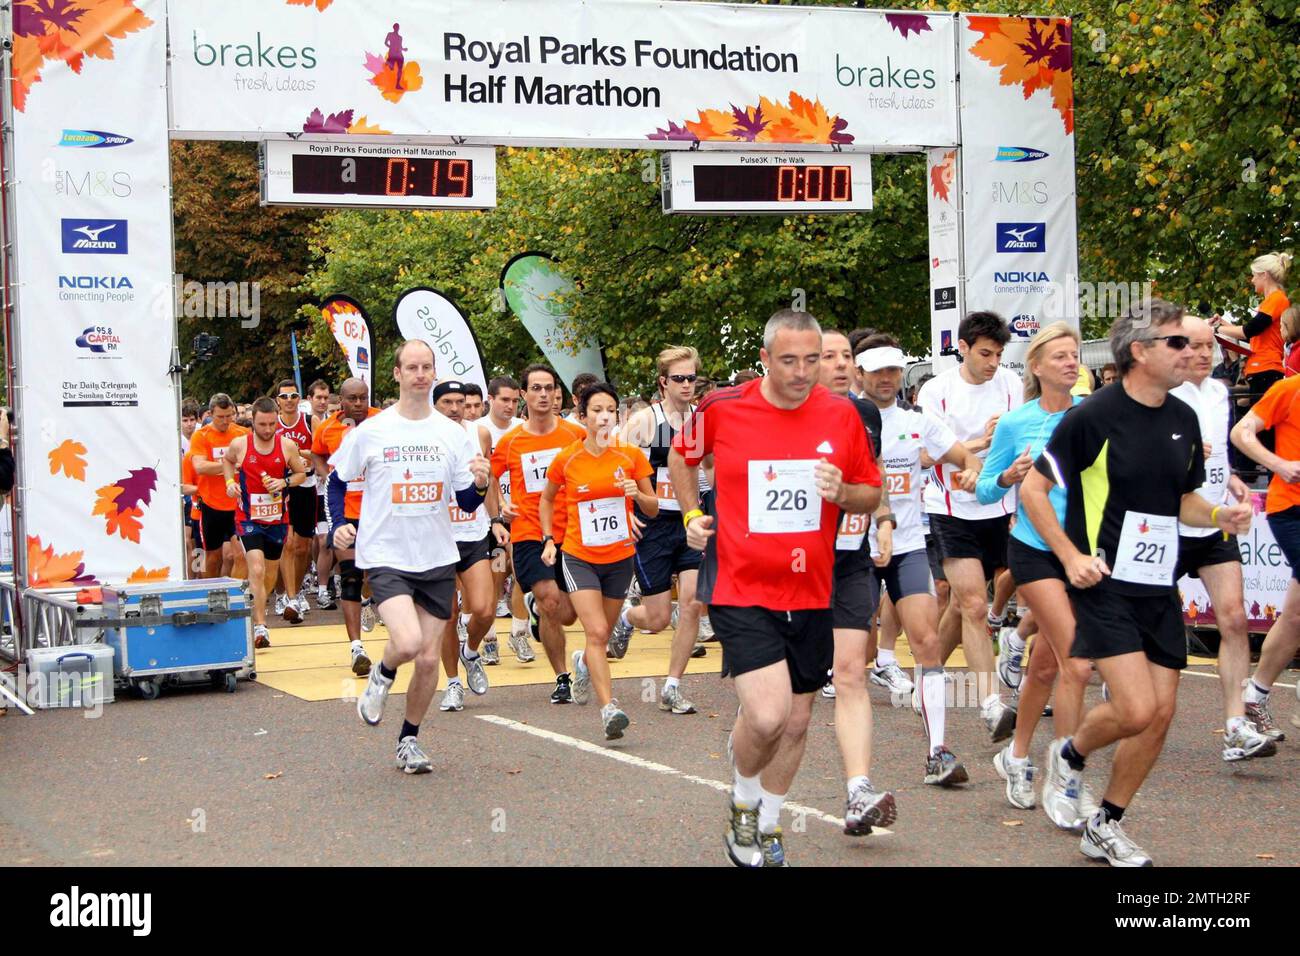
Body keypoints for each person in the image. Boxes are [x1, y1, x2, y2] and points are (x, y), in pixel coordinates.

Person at [1020, 299, 1251, 866]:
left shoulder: (1182, 417)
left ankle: (1103, 815)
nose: (1192, 353)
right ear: (1139, 351)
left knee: (1160, 714)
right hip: (1104, 584)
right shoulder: (1092, 416)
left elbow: (1183, 501)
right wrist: (1072, 557)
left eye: (1195, 345)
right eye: (1177, 343)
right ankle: (1071, 756)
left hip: (1157, 585)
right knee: (1138, 707)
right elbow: (1032, 492)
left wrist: (1221, 516)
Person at [670, 309, 883, 868]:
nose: (801, 371)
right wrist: (692, 513)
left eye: (812, 360)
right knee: (767, 716)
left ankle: (767, 824)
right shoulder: (723, 407)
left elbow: (870, 493)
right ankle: (742, 804)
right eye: (789, 360)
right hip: (740, 582)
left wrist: (844, 491)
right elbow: (681, 455)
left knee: (797, 720)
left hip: (814, 589)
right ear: (764, 359)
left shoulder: (841, 416)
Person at [341, 340, 491, 774]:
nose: (421, 374)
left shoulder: (452, 433)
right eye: (413, 367)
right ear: (397, 374)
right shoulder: (372, 430)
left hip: (437, 558)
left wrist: (480, 484)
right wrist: (340, 525)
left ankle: (408, 739)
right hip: (386, 554)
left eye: (427, 367)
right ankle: (382, 674)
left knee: (428, 660)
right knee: (406, 644)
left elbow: (465, 503)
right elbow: (339, 478)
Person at [975, 322, 1098, 819]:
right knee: (1078, 663)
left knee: (1046, 667)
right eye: (1062, 356)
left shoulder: (1093, 417)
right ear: (1038, 366)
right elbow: (984, 490)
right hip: (1034, 550)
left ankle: (1017, 756)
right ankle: (1068, 778)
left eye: (1076, 355)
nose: (1072, 362)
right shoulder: (1014, 423)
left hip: (1082, 550)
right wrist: (1008, 475)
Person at [857, 334, 982, 787]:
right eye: (878, 370)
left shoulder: (919, 420)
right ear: (860, 374)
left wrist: (970, 470)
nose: (888, 378)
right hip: (856, 550)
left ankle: (938, 752)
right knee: (857, 657)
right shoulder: (846, 419)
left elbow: (963, 454)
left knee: (927, 641)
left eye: (894, 369)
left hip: (908, 544)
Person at [1173, 318, 1275, 760]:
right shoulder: (1162, 393)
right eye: (1193, 346)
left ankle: (1236, 724)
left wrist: (1231, 476)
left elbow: (1219, 446)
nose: (1203, 354)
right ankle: (1125, 700)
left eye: (1208, 346)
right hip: (1167, 524)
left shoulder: (1218, 391)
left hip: (1215, 524)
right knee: (1153, 628)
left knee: (1233, 618)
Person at [918, 312, 1021, 743]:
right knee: (976, 605)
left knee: (963, 607)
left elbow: (1020, 444)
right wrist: (978, 443)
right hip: (950, 508)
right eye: (984, 353)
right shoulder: (937, 391)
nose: (993, 362)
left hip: (997, 507)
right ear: (962, 348)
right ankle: (990, 703)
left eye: (998, 354)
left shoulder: (1012, 385)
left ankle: (927, 681)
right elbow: (924, 455)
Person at [816, 330, 899, 831]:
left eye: (849, 356)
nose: (842, 365)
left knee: (850, 671)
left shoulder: (866, 415)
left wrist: (883, 519)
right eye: (831, 357)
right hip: (795, 567)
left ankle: (857, 791)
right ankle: (751, 790)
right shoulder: (789, 416)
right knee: (787, 701)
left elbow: (875, 476)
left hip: (850, 560)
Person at [541, 383, 656, 738]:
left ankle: (583, 663)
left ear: (617, 415)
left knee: (600, 640)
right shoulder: (567, 458)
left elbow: (653, 508)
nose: (604, 416)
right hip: (579, 556)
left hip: (619, 557)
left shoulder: (631, 456)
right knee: (598, 631)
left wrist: (638, 495)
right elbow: (547, 500)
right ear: (584, 416)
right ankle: (609, 709)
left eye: (610, 410)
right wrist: (548, 538)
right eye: (596, 410)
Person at [613, 346, 709, 714]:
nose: (686, 385)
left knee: (692, 603)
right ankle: (627, 617)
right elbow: (615, 468)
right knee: (655, 619)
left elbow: (710, 471)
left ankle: (672, 685)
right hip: (653, 523)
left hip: (689, 521)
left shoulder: (702, 420)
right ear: (663, 382)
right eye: (679, 379)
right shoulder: (644, 422)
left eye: (691, 378)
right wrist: (627, 512)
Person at [490, 364, 587, 703]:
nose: (544, 394)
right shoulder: (511, 441)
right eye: (537, 388)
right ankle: (563, 677)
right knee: (549, 600)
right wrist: (499, 508)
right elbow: (489, 475)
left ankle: (534, 608)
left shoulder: (575, 435)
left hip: (573, 531)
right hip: (531, 531)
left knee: (570, 613)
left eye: (549, 388)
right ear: (524, 395)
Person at [1230, 350, 1300, 740]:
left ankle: (1254, 695)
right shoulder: (1288, 389)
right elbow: (1241, 432)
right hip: (1290, 508)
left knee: (1294, 616)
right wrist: (1277, 464)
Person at [430, 381, 504, 712]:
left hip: (473, 533)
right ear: (435, 405)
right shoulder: (424, 437)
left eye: (460, 401)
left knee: (485, 608)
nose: (455, 407)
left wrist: (497, 519)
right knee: (447, 615)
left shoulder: (480, 434)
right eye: (447, 401)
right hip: (438, 537)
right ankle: (453, 683)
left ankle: (470, 651)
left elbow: (488, 481)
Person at [221, 397, 312, 648]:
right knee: (257, 569)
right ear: (253, 422)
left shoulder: (286, 446)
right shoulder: (240, 445)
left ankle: (260, 608)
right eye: (262, 424)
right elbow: (227, 461)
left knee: (269, 574)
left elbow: (301, 473)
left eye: (272, 424)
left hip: (277, 519)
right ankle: (260, 627)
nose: (268, 429)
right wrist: (230, 483)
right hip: (248, 517)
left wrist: (284, 482)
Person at [313, 378, 381, 675]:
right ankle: (357, 648)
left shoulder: (383, 421)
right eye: (352, 398)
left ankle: (368, 598)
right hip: (345, 511)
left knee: (377, 574)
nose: (358, 403)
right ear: (340, 401)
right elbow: (317, 453)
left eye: (363, 398)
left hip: (380, 513)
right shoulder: (327, 428)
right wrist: (322, 470)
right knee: (351, 575)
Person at [1213, 252, 1294, 469]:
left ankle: (1260, 475)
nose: (1252, 281)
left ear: (1264, 275)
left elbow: (1250, 330)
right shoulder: (1272, 301)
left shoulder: (1276, 299)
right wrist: (1225, 326)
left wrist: (1220, 328)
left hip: (1267, 370)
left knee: (1262, 430)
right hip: (1261, 368)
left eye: (1254, 276)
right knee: (1260, 430)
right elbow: (1256, 334)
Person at [478, 376, 526, 662]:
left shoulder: (524, 429)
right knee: (496, 576)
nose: (510, 406)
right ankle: (489, 638)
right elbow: (489, 476)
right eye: (504, 400)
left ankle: (519, 635)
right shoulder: (481, 432)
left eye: (514, 400)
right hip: (492, 517)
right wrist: (498, 507)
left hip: (522, 517)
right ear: (491, 399)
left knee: (522, 575)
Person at [187, 394, 250, 579]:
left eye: (229, 416)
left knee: (240, 554)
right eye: (220, 417)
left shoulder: (242, 434)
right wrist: (229, 464)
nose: (225, 421)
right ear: (210, 414)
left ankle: (238, 595)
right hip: (210, 505)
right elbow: (200, 466)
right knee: (213, 558)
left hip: (237, 505)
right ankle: (210, 594)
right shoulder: (201, 435)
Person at [272, 380, 315, 624]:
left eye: (293, 395)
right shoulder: (272, 423)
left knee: (302, 547)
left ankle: (295, 591)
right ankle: (282, 594)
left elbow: (320, 451)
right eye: (284, 396)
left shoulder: (309, 422)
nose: (289, 400)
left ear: (300, 399)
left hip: (306, 485)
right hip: (280, 487)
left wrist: (299, 454)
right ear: (278, 400)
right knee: (285, 545)